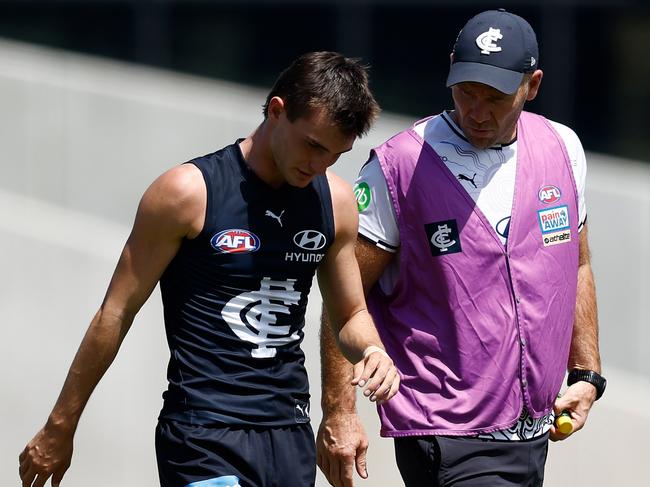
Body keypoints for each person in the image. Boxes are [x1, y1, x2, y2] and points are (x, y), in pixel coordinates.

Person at [19, 51, 401, 487]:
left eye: (334, 156)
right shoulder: (186, 193)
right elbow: (115, 313)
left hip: (287, 432)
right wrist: (61, 424)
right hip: (202, 432)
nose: (318, 165)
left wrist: (372, 350)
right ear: (277, 110)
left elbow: (350, 315)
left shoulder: (334, 201)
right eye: (313, 146)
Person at [317, 9, 606, 487]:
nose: (476, 110)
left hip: (534, 430)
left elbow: (577, 265)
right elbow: (343, 297)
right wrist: (339, 412)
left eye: (493, 97)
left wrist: (588, 373)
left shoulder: (564, 148)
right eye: (465, 91)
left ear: (531, 86)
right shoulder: (399, 166)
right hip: (446, 430)